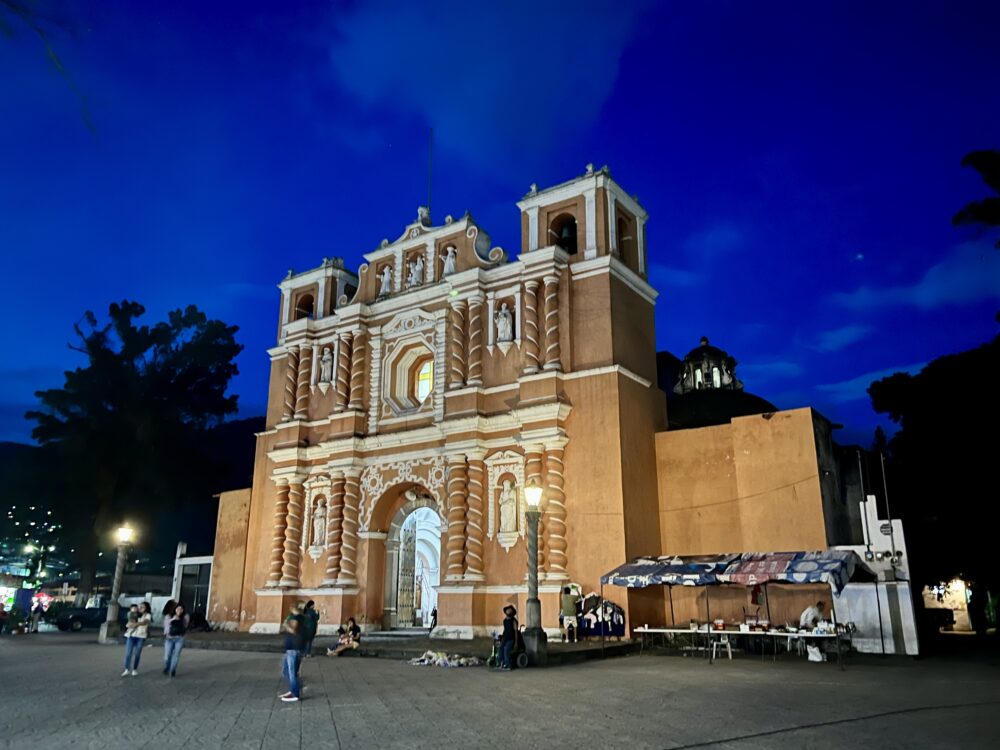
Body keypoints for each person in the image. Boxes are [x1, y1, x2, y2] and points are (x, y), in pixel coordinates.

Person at [279, 604, 305, 702]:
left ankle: (295, 693)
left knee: (291, 672)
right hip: (295, 648)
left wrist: (286, 624)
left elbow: (293, 630)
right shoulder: (302, 618)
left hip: (293, 649)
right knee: (287, 671)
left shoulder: (296, 617)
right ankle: (294, 688)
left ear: (293, 608)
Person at [123, 602, 152, 676]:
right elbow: (128, 623)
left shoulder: (147, 615)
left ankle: (134, 669)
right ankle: (127, 669)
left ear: (146, 608)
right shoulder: (134, 614)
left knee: (137, 654)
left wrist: (134, 624)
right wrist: (131, 624)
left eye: (143, 607)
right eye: (140, 606)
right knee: (128, 653)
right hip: (131, 635)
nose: (140, 608)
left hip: (141, 636)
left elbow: (144, 622)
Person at [163, 603, 190, 677]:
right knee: (167, 656)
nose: (179, 610)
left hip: (179, 638)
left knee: (176, 655)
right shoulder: (168, 616)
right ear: (174, 609)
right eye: (178, 608)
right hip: (169, 638)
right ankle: (167, 667)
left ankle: (173, 670)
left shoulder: (185, 616)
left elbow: (185, 626)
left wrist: (180, 619)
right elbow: (166, 625)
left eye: (181, 609)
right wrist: (174, 619)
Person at [498, 605, 517, 671]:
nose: (508, 611)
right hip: (505, 638)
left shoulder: (514, 621)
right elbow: (505, 630)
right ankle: (501, 663)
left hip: (511, 639)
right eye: (508, 610)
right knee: (500, 648)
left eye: (510, 610)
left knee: (506, 649)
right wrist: (502, 637)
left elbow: (516, 632)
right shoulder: (505, 621)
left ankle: (508, 665)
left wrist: (516, 642)